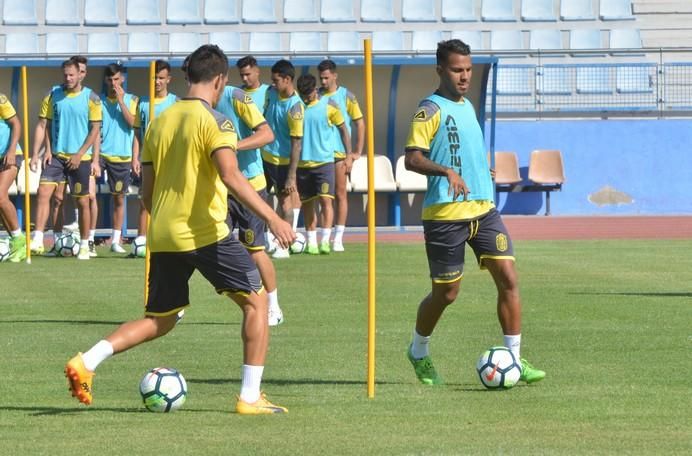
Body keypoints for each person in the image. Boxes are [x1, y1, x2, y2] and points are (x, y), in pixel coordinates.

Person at [64, 45, 295, 414]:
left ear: (187, 78)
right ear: (220, 80)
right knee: (258, 301)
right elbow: (231, 175)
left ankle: (86, 361)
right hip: (204, 232)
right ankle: (250, 398)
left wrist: (164, 222)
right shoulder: (216, 121)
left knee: (161, 320)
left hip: (163, 234)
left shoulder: (159, 121)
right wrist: (274, 217)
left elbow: (148, 192)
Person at [404, 39, 545, 386]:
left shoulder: (468, 106)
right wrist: (447, 172)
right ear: (440, 70)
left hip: (483, 209)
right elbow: (413, 158)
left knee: (509, 278)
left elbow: (463, 151)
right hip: (445, 215)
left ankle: (513, 358)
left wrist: (481, 172)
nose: (465, 76)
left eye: (467, 69)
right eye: (457, 70)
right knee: (447, 294)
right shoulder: (429, 109)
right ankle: (418, 350)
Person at [217, 81, 285, 326]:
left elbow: (267, 134)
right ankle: (176, 304)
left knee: (255, 250)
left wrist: (233, 146)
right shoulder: (196, 104)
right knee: (203, 246)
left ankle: (273, 306)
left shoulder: (236, 97)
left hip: (249, 186)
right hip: (220, 188)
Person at [29, 59, 102, 260]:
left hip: (81, 158)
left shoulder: (92, 98)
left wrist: (80, 154)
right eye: (65, 75)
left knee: (82, 202)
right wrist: (43, 152)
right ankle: (38, 238)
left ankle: (86, 245)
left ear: (80, 74)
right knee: (45, 192)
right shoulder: (53, 95)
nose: (68, 78)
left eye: (72, 75)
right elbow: (45, 125)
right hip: (57, 157)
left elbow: (95, 129)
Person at [295, 74, 351, 255]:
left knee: (326, 201)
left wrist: (349, 154)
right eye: (302, 95)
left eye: (308, 94)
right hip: (303, 164)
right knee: (308, 204)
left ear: (314, 89)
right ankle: (311, 241)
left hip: (324, 163)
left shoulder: (329, 106)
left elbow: (344, 129)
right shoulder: (298, 107)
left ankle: (326, 240)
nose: (306, 98)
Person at [317, 60, 365, 252]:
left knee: (340, 194)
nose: (323, 81)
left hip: (339, 154)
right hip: (321, 155)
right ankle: (323, 237)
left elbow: (360, 123)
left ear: (335, 76)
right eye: (321, 78)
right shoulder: (316, 96)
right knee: (323, 197)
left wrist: (355, 153)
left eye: (326, 77)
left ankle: (338, 238)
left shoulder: (346, 96)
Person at [261, 59, 304, 259]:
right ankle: (263, 240)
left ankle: (283, 245)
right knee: (257, 199)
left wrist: (291, 176)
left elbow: (296, 144)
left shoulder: (296, 108)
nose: (273, 83)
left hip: (283, 163)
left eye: (276, 80)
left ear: (287, 80)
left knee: (285, 203)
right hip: (263, 157)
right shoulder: (271, 93)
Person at [133, 60, 178, 247]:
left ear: (168, 79)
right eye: (154, 77)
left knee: (171, 200)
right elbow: (137, 133)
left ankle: (170, 236)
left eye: (161, 78)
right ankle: (141, 240)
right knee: (146, 198)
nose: (157, 81)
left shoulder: (175, 102)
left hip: (169, 160)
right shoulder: (143, 103)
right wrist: (136, 157)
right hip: (148, 160)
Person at [99, 63, 138, 254]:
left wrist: (121, 101)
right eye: (110, 79)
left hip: (122, 157)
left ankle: (116, 240)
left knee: (118, 198)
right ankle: (87, 239)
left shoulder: (131, 100)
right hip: (99, 155)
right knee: (87, 194)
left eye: (117, 79)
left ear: (122, 79)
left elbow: (133, 124)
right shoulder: (98, 102)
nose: (113, 83)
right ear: (106, 80)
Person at [0, 93, 27, 262]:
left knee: (0, 196)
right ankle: (16, 240)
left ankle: (19, 239)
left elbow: (16, 123)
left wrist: (11, 150)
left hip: (10, 154)